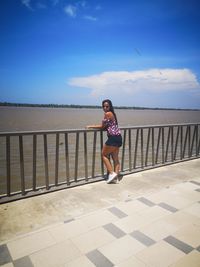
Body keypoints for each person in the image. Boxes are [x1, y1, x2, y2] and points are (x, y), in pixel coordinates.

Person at [87, 99, 122, 183]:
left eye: (107, 106)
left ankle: (111, 173)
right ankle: (115, 178)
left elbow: (102, 126)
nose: (105, 108)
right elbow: (107, 126)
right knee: (115, 159)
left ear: (110, 107)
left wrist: (90, 126)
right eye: (103, 106)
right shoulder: (113, 114)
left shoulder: (107, 114)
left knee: (104, 155)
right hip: (119, 138)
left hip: (113, 138)